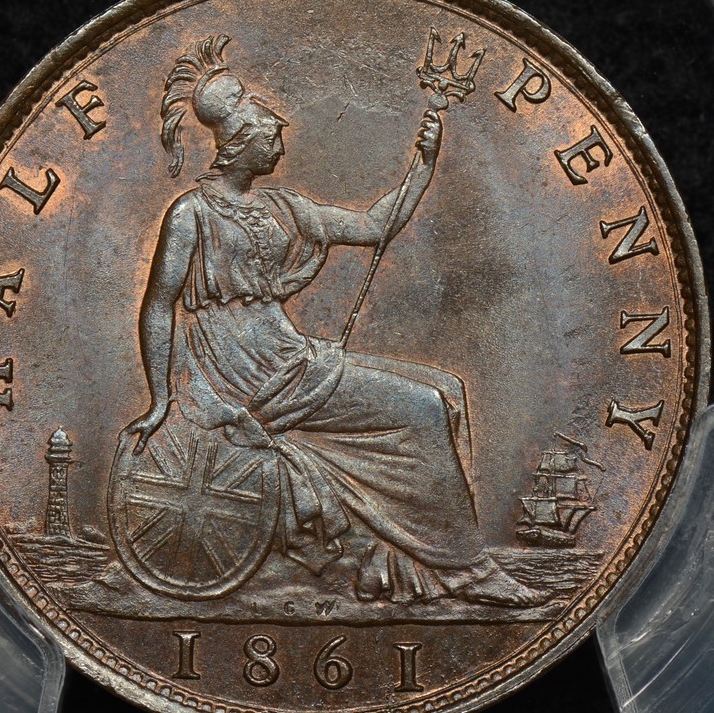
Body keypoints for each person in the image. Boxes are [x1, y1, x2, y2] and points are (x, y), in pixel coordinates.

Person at [123, 35, 547, 607]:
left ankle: (406, 564)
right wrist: (161, 398)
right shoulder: (190, 213)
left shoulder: (281, 207)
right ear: (240, 144)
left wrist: (423, 167)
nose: (281, 143)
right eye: (271, 135)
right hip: (246, 372)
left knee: (446, 390)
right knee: (423, 408)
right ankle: (467, 569)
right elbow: (158, 305)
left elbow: (374, 226)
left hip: (287, 356)